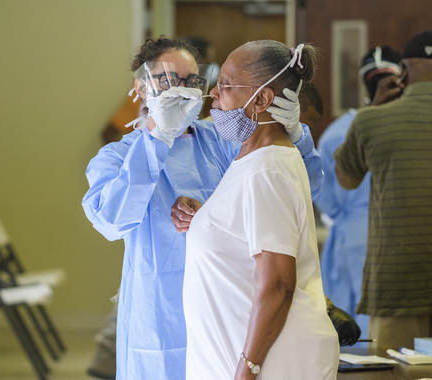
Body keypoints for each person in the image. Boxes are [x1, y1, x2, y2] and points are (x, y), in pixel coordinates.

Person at [82, 36, 323, 380]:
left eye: (191, 81)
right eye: (168, 81)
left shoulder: (223, 142)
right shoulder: (117, 157)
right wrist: (157, 140)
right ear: (141, 87)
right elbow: (110, 220)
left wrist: (295, 133)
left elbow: (301, 186)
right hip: (159, 320)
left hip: (228, 311)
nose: (182, 90)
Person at [179, 41, 338, 379]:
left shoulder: (268, 168)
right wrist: (207, 222)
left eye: (226, 84)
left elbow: (279, 283)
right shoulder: (251, 160)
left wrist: (248, 368)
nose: (214, 95)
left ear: (262, 99)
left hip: (270, 365)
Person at [334, 30, 432, 352]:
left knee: (393, 372)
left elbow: (346, 179)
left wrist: (373, 109)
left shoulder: (371, 121)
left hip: (396, 284)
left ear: (404, 70)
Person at [316, 46, 403, 339]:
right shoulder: (408, 125)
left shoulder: (338, 133)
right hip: (396, 233)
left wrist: (347, 215)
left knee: (349, 328)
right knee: (390, 329)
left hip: (349, 237)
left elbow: (322, 193)